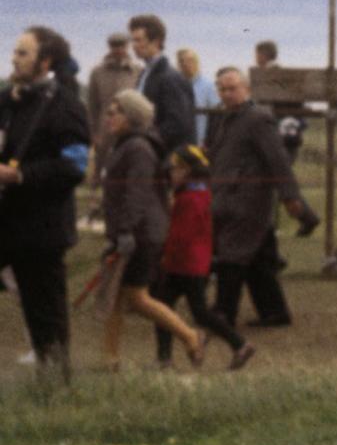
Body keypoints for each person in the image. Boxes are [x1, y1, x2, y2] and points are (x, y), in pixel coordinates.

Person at [93, 90, 207, 370]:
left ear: (131, 117)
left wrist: (126, 232)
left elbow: (137, 193)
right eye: (108, 111)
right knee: (119, 297)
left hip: (142, 234)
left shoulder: (138, 148)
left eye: (115, 111)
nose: (109, 116)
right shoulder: (125, 145)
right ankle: (109, 358)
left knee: (137, 297)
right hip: (131, 231)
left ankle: (191, 336)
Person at [1, 25, 89, 371]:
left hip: (42, 228)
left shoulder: (65, 106)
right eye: (15, 51)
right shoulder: (16, 99)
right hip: (10, 222)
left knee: (46, 315)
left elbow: (74, 166)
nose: (14, 58)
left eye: (23, 52)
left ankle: (55, 387)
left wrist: (22, 175)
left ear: (45, 60)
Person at [204, 65, 315, 332]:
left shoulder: (257, 118)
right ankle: (274, 312)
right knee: (258, 260)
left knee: (231, 255)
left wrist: (291, 197)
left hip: (247, 201)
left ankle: (224, 313)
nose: (228, 94)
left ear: (247, 89)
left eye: (233, 88)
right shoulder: (223, 118)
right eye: (223, 89)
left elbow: (278, 161)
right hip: (226, 197)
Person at [157, 144, 252, 367]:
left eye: (175, 169)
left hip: (185, 265)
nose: (171, 173)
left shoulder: (190, 198)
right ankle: (166, 356)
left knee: (179, 310)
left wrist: (165, 255)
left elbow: (181, 235)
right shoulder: (198, 192)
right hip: (193, 263)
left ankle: (238, 344)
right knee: (174, 308)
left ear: (188, 171)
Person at [128, 15, 195, 157]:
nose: (133, 45)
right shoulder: (145, 74)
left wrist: (146, 142)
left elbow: (177, 124)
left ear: (156, 41)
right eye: (132, 40)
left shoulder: (170, 78)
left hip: (165, 159)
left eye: (138, 40)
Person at [84, 31, 139, 151]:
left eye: (122, 46)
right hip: (105, 131)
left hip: (130, 130)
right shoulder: (97, 72)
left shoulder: (137, 71)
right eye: (115, 46)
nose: (118, 50)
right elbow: (93, 106)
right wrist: (94, 134)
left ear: (127, 47)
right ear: (109, 47)